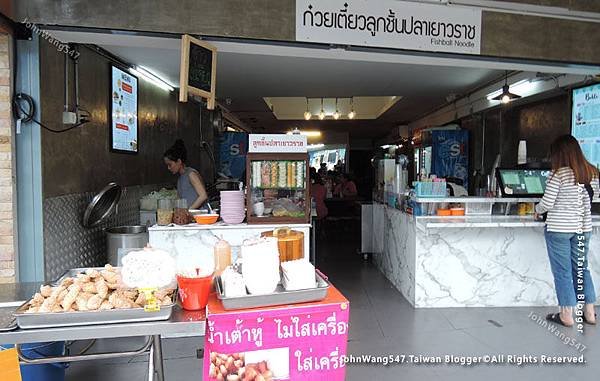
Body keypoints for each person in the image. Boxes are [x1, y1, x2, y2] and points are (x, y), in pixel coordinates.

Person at [534, 135, 599, 327]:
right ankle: (589, 312)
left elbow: (547, 202)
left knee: (563, 272)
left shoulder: (559, 174)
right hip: (583, 228)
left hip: (560, 229)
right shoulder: (592, 173)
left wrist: (537, 211)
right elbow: (593, 199)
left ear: (559, 154)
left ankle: (566, 315)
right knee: (581, 268)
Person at [164, 139, 208, 209]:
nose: (168, 168)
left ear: (179, 161)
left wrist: (189, 211)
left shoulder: (191, 174)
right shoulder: (180, 179)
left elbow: (203, 196)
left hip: (200, 215)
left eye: (170, 165)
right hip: (190, 217)